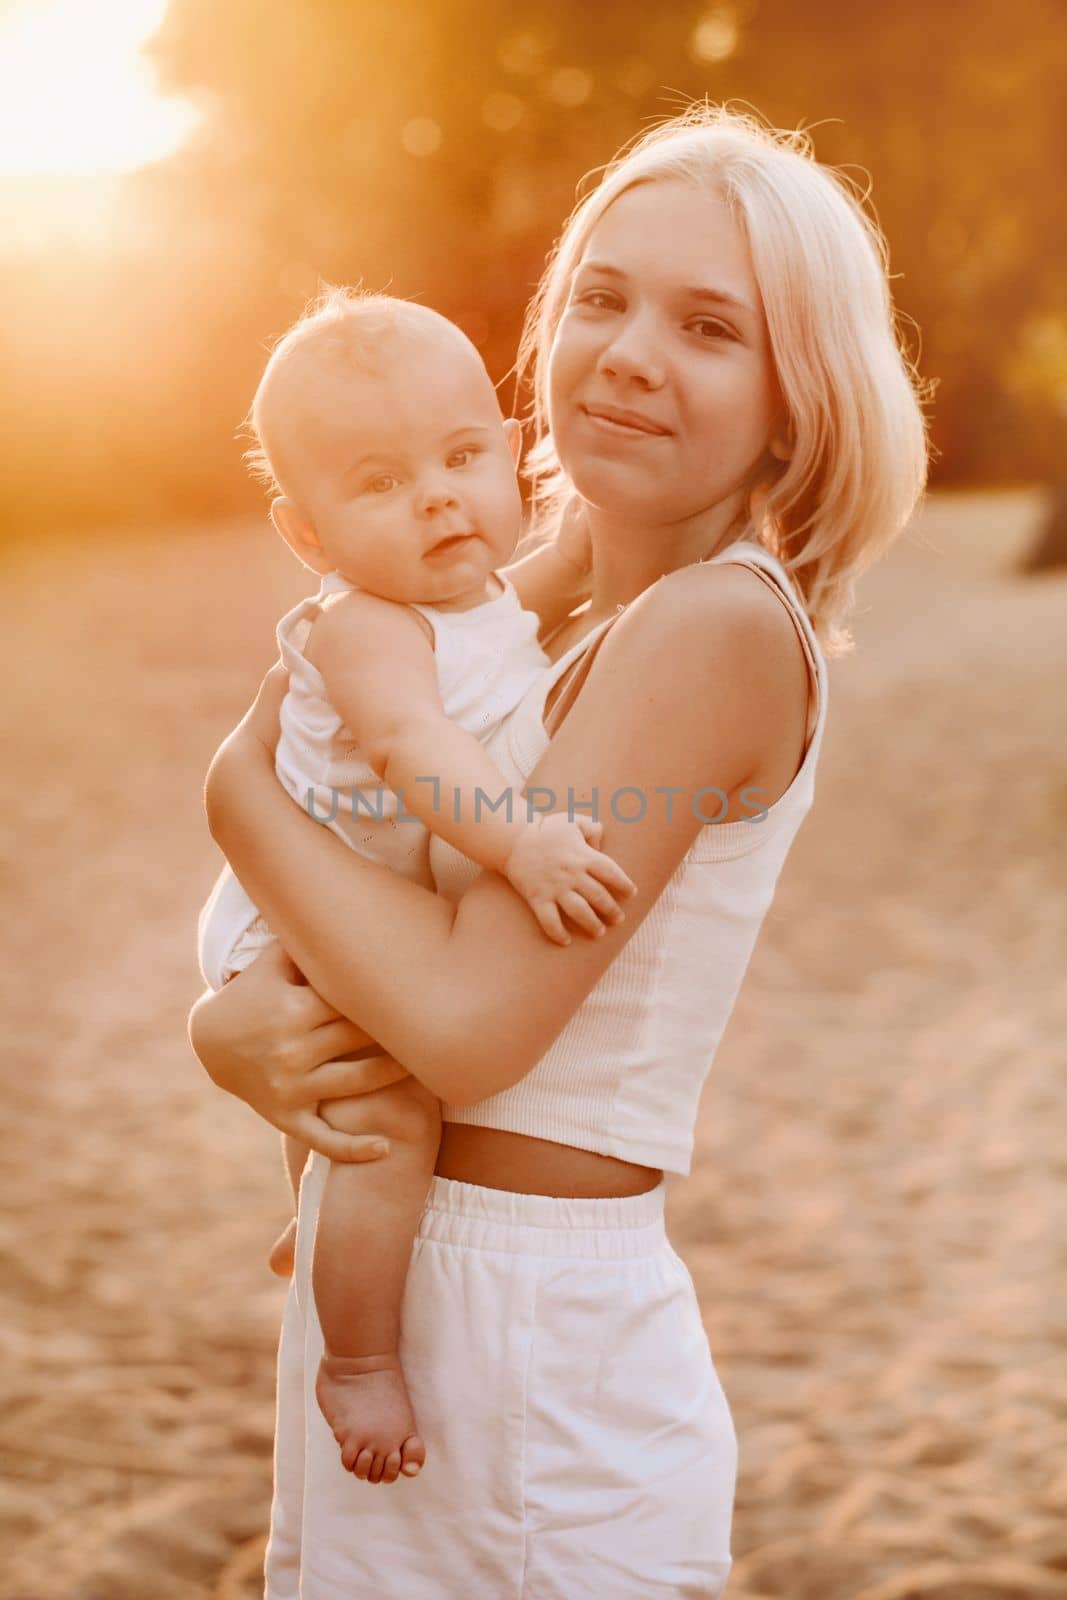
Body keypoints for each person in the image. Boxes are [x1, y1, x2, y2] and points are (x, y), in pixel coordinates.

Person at [188, 104, 928, 1598]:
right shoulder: (543, 598)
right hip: (402, 1290)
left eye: (709, 325)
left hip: (532, 1345)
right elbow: (357, 793)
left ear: (795, 401)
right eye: (600, 295)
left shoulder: (715, 626)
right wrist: (227, 1035)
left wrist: (232, 800)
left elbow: (461, 1025)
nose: (630, 350)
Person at [196, 289, 638, 1483]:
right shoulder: (362, 629)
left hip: (362, 892)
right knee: (388, 1122)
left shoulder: (471, 593)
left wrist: (606, 531)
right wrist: (523, 843)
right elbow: (414, 753)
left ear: (503, 452)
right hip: (292, 917)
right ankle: (359, 1361)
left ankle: (329, 1221)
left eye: (459, 456)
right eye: (381, 482)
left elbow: (550, 579)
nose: (439, 495)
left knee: (358, 1137)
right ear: (307, 537)